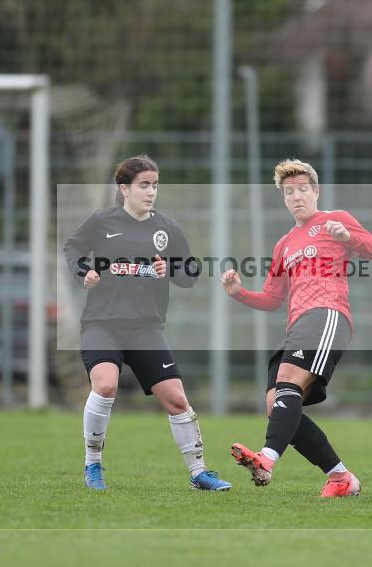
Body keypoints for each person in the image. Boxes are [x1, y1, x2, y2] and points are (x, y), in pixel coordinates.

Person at [63, 155, 231, 492]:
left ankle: (199, 472)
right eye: (143, 185)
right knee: (106, 385)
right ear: (124, 189)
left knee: (176, 399)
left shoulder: (166, 228)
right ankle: (93, 465)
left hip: (145, 328)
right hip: (103, 324)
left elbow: (191, 273)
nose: (151, 192)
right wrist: (86, 272)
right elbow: (73, 248)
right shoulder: (101, 222)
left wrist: (170, 270)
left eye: (154, 185)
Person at [221, 159, 372, 497]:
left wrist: (349, 237)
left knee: (287, 382)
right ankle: (341, 478)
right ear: (283, 198)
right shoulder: (284, 244)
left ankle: (266, 459)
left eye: (302, 190)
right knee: (277, 405)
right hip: (297, 324)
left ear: (316, 191)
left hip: (327, 314)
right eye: (289, 192)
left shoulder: (334, 220)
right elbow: (271, 298)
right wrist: (239, 293)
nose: (296, 197)